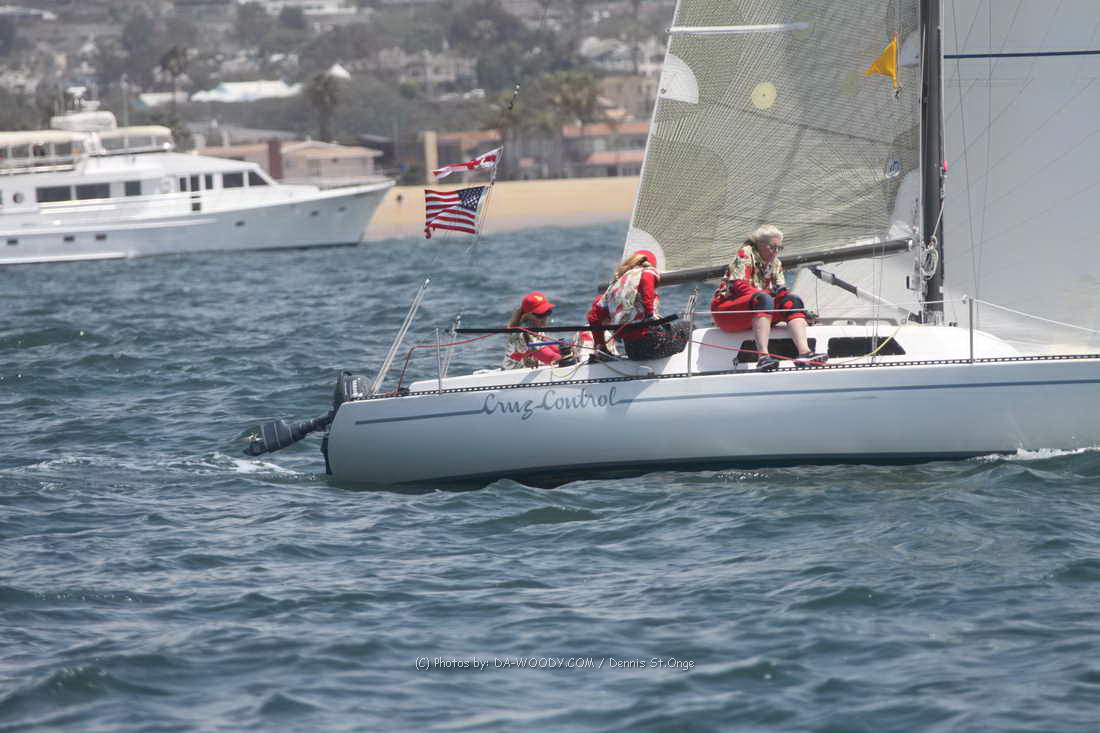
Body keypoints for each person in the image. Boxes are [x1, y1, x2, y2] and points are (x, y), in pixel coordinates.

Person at [710, 225, 827, 371]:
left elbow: (781, 291)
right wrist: (768, 294)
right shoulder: (745, 254)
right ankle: (763, 357)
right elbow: (739, 286)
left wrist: (801, 311)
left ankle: (804, 353)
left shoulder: (776, 263)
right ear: (760, 244)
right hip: (727, 311)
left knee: (792, 301)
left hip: (755, 307)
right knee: (764, 299)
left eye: (779, 248)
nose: (776, 251)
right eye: (772, 247)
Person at [588, 249, 689, 361]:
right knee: (688, 327)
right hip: (653, 344)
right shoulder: (647, 272)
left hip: (632, 351)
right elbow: (646, 279)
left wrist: (601, 346)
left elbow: (593, 317)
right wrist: (650, 313)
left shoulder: (614, 286)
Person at [501, 291, 570, 370]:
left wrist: (569, 351)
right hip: (514, 374)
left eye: (547, 312)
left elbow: (552, 347)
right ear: (527, 315)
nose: (545, 318)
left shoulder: (536, 328)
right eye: (540, 315)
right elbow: (550, 357)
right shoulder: (524, 333)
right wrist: (570, 358)